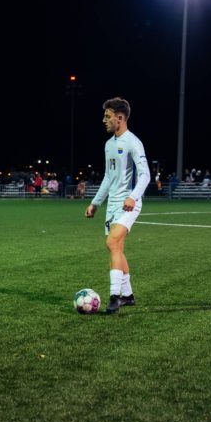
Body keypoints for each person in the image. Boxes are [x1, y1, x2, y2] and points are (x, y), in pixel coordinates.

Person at [85, 97, 150, 314]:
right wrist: (95, 203)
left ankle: (114, 297)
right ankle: (129, 296)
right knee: (117, 248)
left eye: (107, 116)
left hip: (129, 204)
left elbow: (145, 175)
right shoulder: (109, 144)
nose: (104, 120)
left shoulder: (133, 142)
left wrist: (133, 196)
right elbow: (108, 177)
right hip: (112, 205)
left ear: (120, 118)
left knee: (111, 243)